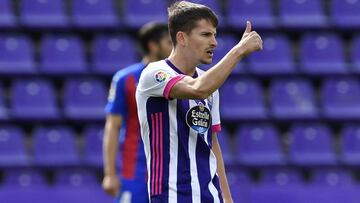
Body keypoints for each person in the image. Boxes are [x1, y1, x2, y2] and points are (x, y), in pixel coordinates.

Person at [136, 1, 263, 203]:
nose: (214, 42)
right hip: (171, 196)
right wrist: (238, 51)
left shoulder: (210, 82)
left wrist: (227, 198)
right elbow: (198, 89)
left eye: (214, 34)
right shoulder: (155, 74)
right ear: (182, 37)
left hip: (210, 196)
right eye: (205, 35)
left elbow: (211, 143)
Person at [102, 22, 172, 203]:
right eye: (168, 43)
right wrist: (110, 174)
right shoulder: (125, 79)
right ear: (153, 46)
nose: (174, 48)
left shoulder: (179, 80)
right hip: (136, 171)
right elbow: (112, 126)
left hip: (172, 171)